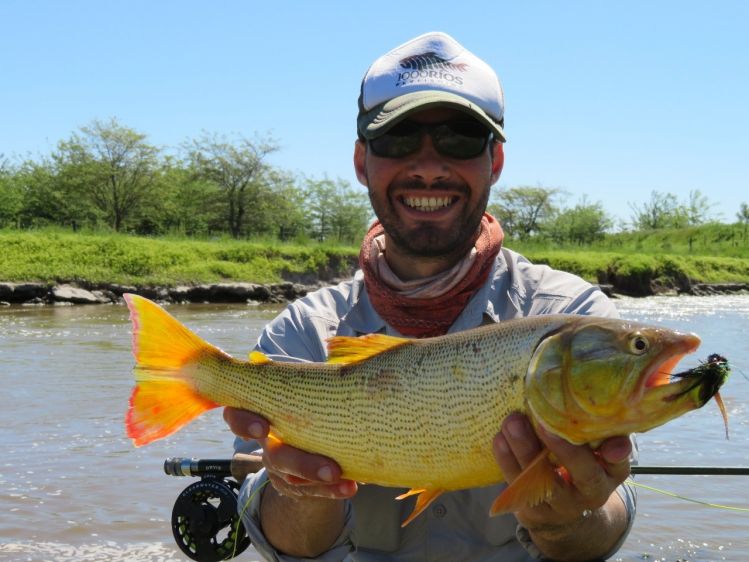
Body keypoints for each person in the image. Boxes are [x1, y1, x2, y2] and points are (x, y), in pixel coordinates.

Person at [224, 31, 636, 561]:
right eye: (397, 140)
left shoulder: (570, 322)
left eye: (460, 139)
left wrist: (563, 523)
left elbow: (606, 524)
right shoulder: (304, 331)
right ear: (360, 161)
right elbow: (287, 546)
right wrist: (300, 491)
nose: (429, 165)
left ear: (496, 162)